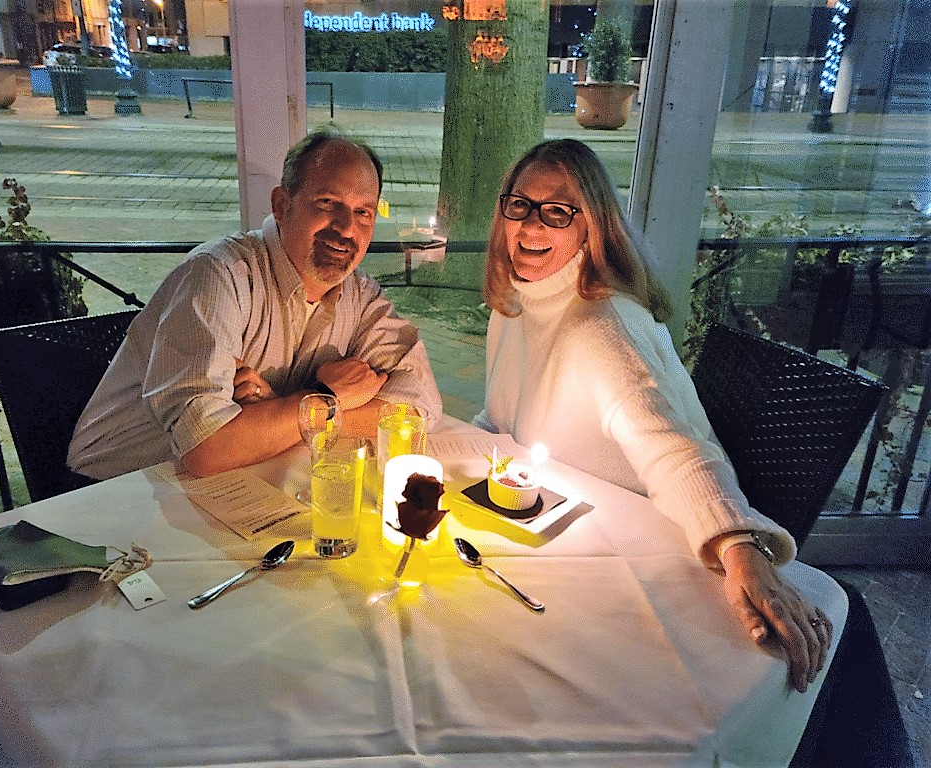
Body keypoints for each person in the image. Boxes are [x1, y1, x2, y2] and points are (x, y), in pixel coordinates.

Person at [474, 138, 832, 695]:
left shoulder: (602, 327)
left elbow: (677, 447)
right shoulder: (516, 306)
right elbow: (506, 416)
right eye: (519, 205)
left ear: (592, 226)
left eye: (557, 211)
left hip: (633, 563)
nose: (531, 226)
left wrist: (740, 546)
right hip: (554, 533)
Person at [68, 128, 441, 480]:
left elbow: (418, 407)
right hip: (111, 493)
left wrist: (290, 407)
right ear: (282, 205)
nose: (346, 228)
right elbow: (206, 447)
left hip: (225, 483)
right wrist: (328, 398)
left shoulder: (359, 294)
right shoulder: (219, 274)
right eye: (328, 202)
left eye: (364, 212)